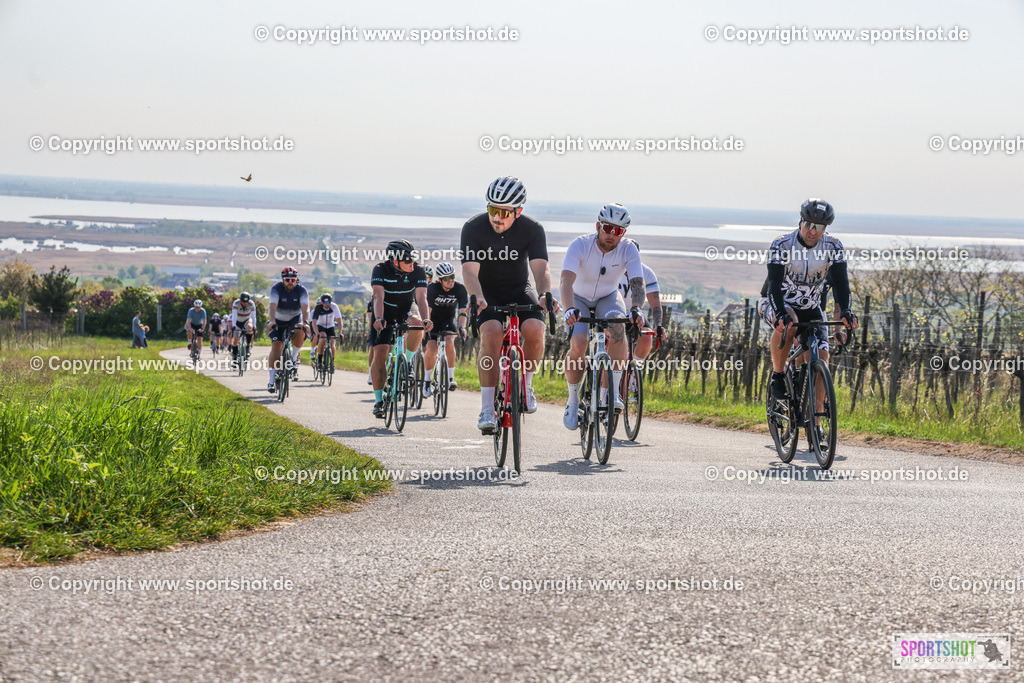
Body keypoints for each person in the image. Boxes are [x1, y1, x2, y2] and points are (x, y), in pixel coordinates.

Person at [462, 176, 556, 434]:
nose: (496, 217)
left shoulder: (532, 229)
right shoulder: (473, 227)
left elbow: (541, 268)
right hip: (487, 292)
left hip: (519, 289)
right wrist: (477, 296)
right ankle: (486, 407)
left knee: (535, 329)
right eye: (492, 209)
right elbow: (469, 271)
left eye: (504, 212)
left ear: (518, 211)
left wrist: (544, 294)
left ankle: (526, 385)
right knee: (491, 332)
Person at [758, 199, 858, 439]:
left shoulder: (833, 246)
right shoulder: (781, 244)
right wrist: (780, 314)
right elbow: (773, 285)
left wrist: (846, 311)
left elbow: (841, 283)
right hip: (777, 302)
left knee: (822, 357)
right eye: (809, 225)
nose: (813, 231)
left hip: (812, 307)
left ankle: (816, 422)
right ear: (800, 222)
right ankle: (778, 375)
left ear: (826, 229)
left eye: (819, 227)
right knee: (789, 322)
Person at [560, 203, 645, 429]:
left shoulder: (629, 249)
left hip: (608, 297)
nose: (611, 235)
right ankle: (572, 400)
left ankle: (612, 395)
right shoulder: (580, 244)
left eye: (618, 231)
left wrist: (636, 308)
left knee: (618, 330)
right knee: (579, 343)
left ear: (623, 233)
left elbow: (638, 283)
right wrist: (568, 309)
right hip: (578, 298)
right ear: (598, 226)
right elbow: (566, 280)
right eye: (607, 228)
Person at [369, 240, 433, 417]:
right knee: (380, 352)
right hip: (385, 311)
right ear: (395, 261)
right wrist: (379, 318)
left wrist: (426, 318)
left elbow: (421, 297)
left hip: (406, 309)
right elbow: (378, 297)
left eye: (413, 259)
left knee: (418, 325)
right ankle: (379, 401)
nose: (412, 263)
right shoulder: (380, 269)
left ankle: (408, 362)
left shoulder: (418, 270)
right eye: (407, 260)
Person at [423, 262, 468, 395]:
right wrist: (426, 326)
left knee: (449, 341)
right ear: (440, 280)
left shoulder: (460, 288)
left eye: (452, 277)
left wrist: (462, 327)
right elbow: (428, 309)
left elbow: (463, 311)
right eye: (447, 278)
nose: (451, 280)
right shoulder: (432, 288)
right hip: (433, 320)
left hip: (449, 319)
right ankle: (427, 381)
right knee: (431, 348)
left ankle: (450, 378)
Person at [617, 240, 666, 360]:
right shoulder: (612, 269)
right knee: (615, 343)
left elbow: (655, 303)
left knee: (646, 337)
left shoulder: (647, 273)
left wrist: (658, 325)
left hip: (634, 314)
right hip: (613, 313)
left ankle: (636, 367)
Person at [266, 268, 310, 393]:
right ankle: (271, 381)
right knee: (276, 346)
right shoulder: (276, 289)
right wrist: (272, 321)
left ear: (296, 280)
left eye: (292, 280)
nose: (290, 282)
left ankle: (294, 357)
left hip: (295, 319)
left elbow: (305, 308)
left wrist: (306, 323)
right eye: (287, 280)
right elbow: (272, 307)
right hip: (278, 320)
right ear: (283, 280)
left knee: (300, 329)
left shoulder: (302, 290)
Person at [311, 293, 344, 372]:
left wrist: (340, 333)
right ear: (322, 302)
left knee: (332, 343)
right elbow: (314, 322)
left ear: (331, 301)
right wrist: (317, 333)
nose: (327, 304)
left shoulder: (334, 307)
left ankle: (332, 363)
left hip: (330, 326)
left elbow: (339, 321)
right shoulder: (318, 307)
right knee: (323, 338)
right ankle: (319, 360)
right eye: (325, 302)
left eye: (328, 302)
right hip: (321, 326)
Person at [229, 291, 257, 365]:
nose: (245, 303)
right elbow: (234, 315)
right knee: (235, 340)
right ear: (240, 300)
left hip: (246, 320)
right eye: (243, 302)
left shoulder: (251, 303)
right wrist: (233, 325)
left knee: (250, 327)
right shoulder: (236, 303)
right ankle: (234, 357)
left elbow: (253, 316)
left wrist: (254, 326)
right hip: (237, 321)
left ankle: (247, 347)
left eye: (246, 302)